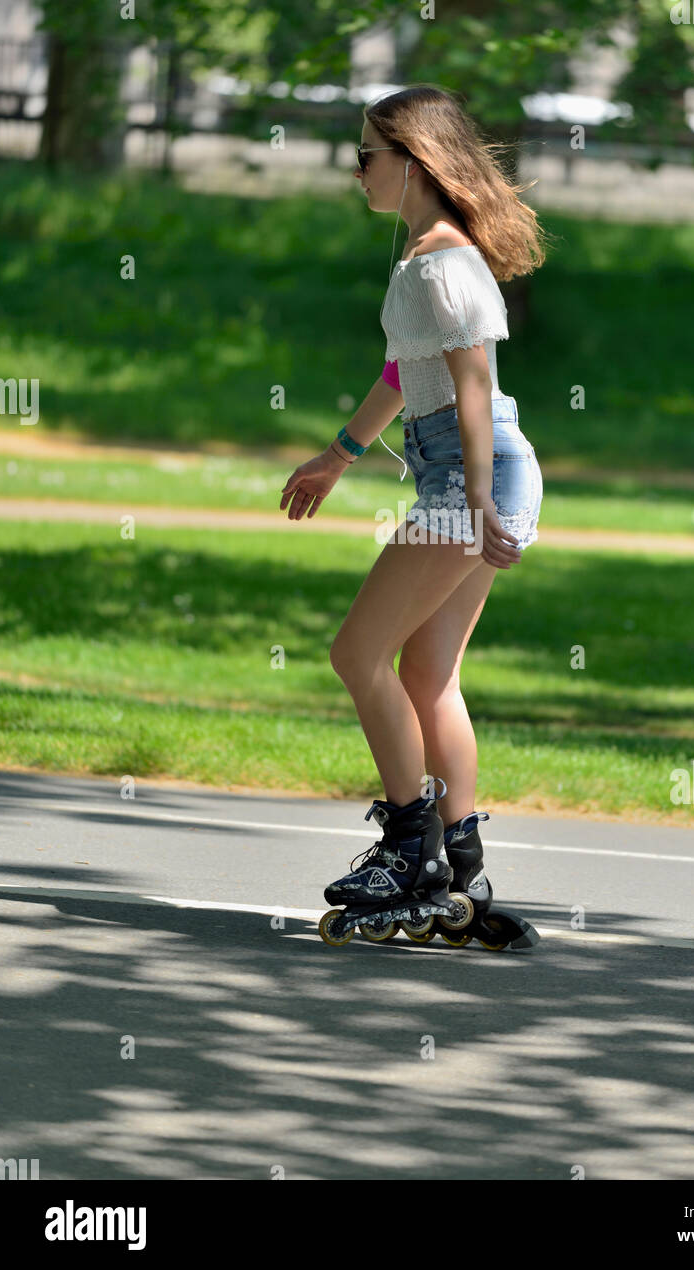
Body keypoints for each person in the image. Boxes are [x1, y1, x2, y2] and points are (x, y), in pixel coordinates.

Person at [280, 84, 547, 946]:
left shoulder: (442, 263)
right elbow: (405, 378)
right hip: (474, 473)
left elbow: (472, 383)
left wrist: (470, 498)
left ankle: (408, 850)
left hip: (474, 476)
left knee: (356, 653)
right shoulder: (426, 261)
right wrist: (339, 456)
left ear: (412, 162)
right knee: (428, 675)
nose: (355, 169)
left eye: (366, 155)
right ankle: (458, 868)